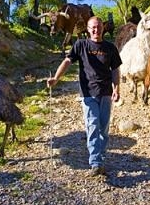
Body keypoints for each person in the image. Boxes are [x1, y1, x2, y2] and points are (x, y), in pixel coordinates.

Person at [47, 16, 122, 176]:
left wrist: (117, 88)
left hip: (106, 93)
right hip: (88, 93)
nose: (96, 30)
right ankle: (95, 162)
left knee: (103, 128)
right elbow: (67, 61)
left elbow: (115, 70)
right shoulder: (81, 45)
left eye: (99, 27)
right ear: (88, 29)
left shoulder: (110, 47)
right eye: (93, 27)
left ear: (103, 28)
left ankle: (100, 159)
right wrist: (56, 78)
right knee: (92, 125)